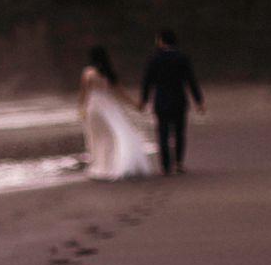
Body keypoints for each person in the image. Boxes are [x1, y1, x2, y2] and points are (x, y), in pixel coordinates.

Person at [80, 45, 151, 180]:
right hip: (108, 106)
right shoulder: (109, 73)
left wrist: (81, 110)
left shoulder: (88, 73)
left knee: (98, 138)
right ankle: (113, 166)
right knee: (113, 135)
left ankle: (101, 167)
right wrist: (135, 105)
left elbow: (84, 94)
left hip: (94, 108)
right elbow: (121, 93)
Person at [139, 29, 205, 174]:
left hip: (161, 101)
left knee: (162, 133)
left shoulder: (154, 59)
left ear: (161, 41)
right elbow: (191, 80)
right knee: (179, 132)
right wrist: (198, 101)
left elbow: (147, 82)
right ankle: (179, 163)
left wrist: (143, 101)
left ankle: (165, 166)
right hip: (179, 100)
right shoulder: (182, 58)